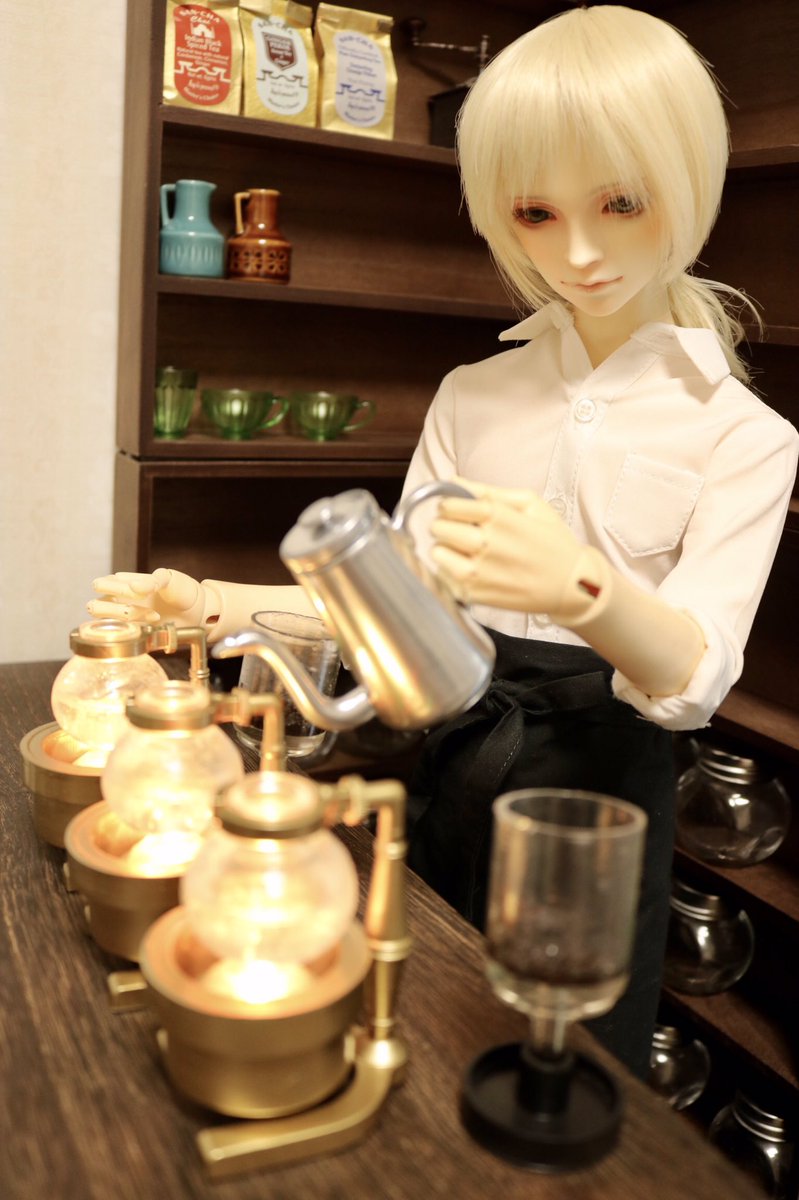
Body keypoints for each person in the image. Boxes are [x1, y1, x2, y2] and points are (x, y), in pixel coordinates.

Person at [90, 6, 797, 1079]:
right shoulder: (474, 393)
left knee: (568, 1059)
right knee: (418, 1019)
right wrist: (210, 603)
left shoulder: (742, 434)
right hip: (459, 753)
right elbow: (394, 607)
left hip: (598, 801)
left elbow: (694, 676)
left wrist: (583, 591)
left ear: (690, 178)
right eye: (535, 212)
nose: (580, 251)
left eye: (621, 202)